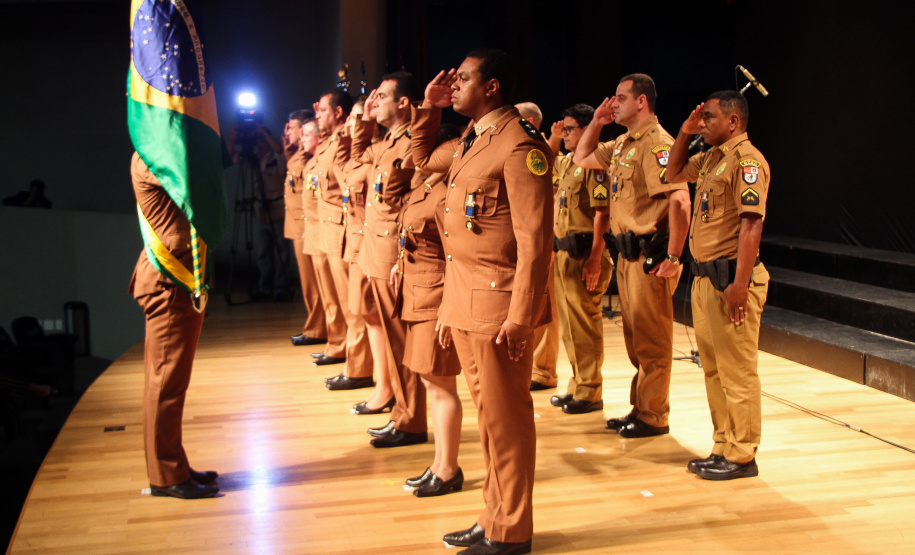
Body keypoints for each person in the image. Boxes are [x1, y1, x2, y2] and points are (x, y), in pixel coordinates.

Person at [414, 48, 553, 555]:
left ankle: (511, 530)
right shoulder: (474, 141)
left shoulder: (519, 146)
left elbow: (535, 241)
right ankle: (493, 515)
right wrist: (428, 110)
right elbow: (420, 163)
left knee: (508, 422)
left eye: (464, 78)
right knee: (490, 423)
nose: (454, 84)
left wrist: (522, 317)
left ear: (492, 87)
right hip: (465, 302)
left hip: (498, 309)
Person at [573, 73, 691, 438]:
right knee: (635, 339)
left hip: (649, 256)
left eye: (621, 98)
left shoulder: (658, 144)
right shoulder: (624, 143)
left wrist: (673, 253)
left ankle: (654, 416)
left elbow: (680, 200)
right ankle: (641, 408)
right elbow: (582, 156)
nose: (614, 103)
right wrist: (596, 121)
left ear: (642, 101)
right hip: (627, 257)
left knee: (652, 341)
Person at [665, 90, 770, 480]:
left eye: (708, 117)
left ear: (733, 121)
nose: (703, 122)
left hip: (732, 282)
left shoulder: (748, 162)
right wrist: (683, 131)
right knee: (713, 368)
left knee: (737, 370)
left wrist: (740, 284)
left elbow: (751, 224)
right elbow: (672, 175)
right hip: (707, 280)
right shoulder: (711, 158)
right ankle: (723, 443)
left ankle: (742, 454)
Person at [128, 152, 218, 499]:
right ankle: (165, 475)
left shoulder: (160, 151)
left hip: (179, 279)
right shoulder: (152, 156)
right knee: (165, 384)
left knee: (172, 384)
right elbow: (191, 188)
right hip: (168, 281)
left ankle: (174, 463)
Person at [353, 73, 428, 447]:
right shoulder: (385, 142)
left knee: (402, 342)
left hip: (392, 255)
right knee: (392, 338)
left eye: (381, 96)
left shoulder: (417, 141)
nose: (375, 101)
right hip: (374, 251)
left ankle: (412, 419)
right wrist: (364, 121)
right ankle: (401, 411)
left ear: (403, 102)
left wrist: (402, 255)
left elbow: (414, 204)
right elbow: (351, 166)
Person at [397, 124, 465, 494]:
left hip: (436, 297)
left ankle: (449, 469)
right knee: (430, 380)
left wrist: (449, 309)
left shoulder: (444, 193)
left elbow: (456, 256)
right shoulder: (424, 185)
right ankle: (439, 462)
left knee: (441, 384)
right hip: (417, 293)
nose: (414, 153)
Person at [546, 104, 613, 414]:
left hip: (586, 252)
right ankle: (577, 383)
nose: (566, 133)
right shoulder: (570, 163)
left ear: (587, 129)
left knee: (584, 324)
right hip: (564, 253)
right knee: (570, 327)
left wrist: (596, 259)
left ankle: (590, 390)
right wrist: (555, 137)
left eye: (570, 129)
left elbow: (603, 213)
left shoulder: (594, 164)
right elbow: (544, 164)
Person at [313, 89, 375, 385]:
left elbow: (344, 182)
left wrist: (348, 136)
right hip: (336, 229)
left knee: (356, 308)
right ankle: (351, 359)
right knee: (343, 302)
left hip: (346, 230)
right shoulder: (335, 143)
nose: (351, 123)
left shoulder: (351, 145)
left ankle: (359, 367)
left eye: (323, 110)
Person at [515, 102, 561, 392]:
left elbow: (549, 199)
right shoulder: (525, 150)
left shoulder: (540, 152)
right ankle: (530, 365)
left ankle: (543, 370)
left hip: (544, 239)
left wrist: (550, 243)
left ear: (530, 121)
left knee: (545, 304)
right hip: (524, 239)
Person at [227, 123, 290, 300]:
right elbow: (231, 157)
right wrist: (233, 136)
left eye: (260, 139)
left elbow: (280, 150)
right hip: (260, 211)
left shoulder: (275, 158)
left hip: (277, 210)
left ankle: (282, 289)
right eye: (257, 139)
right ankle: (265, 288)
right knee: (263, 253)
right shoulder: (253, 159)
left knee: (281, 252)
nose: (259, 142)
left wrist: (265, 132)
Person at [282, 111, 330, 347]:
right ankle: (315, 325)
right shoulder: (298, 157)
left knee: (314, 284)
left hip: (305, 225)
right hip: (298, 225)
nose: (290, 134)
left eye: (294, 129)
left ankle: (318, 328)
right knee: (309, 283)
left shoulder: (307, 159)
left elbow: (308, 196)